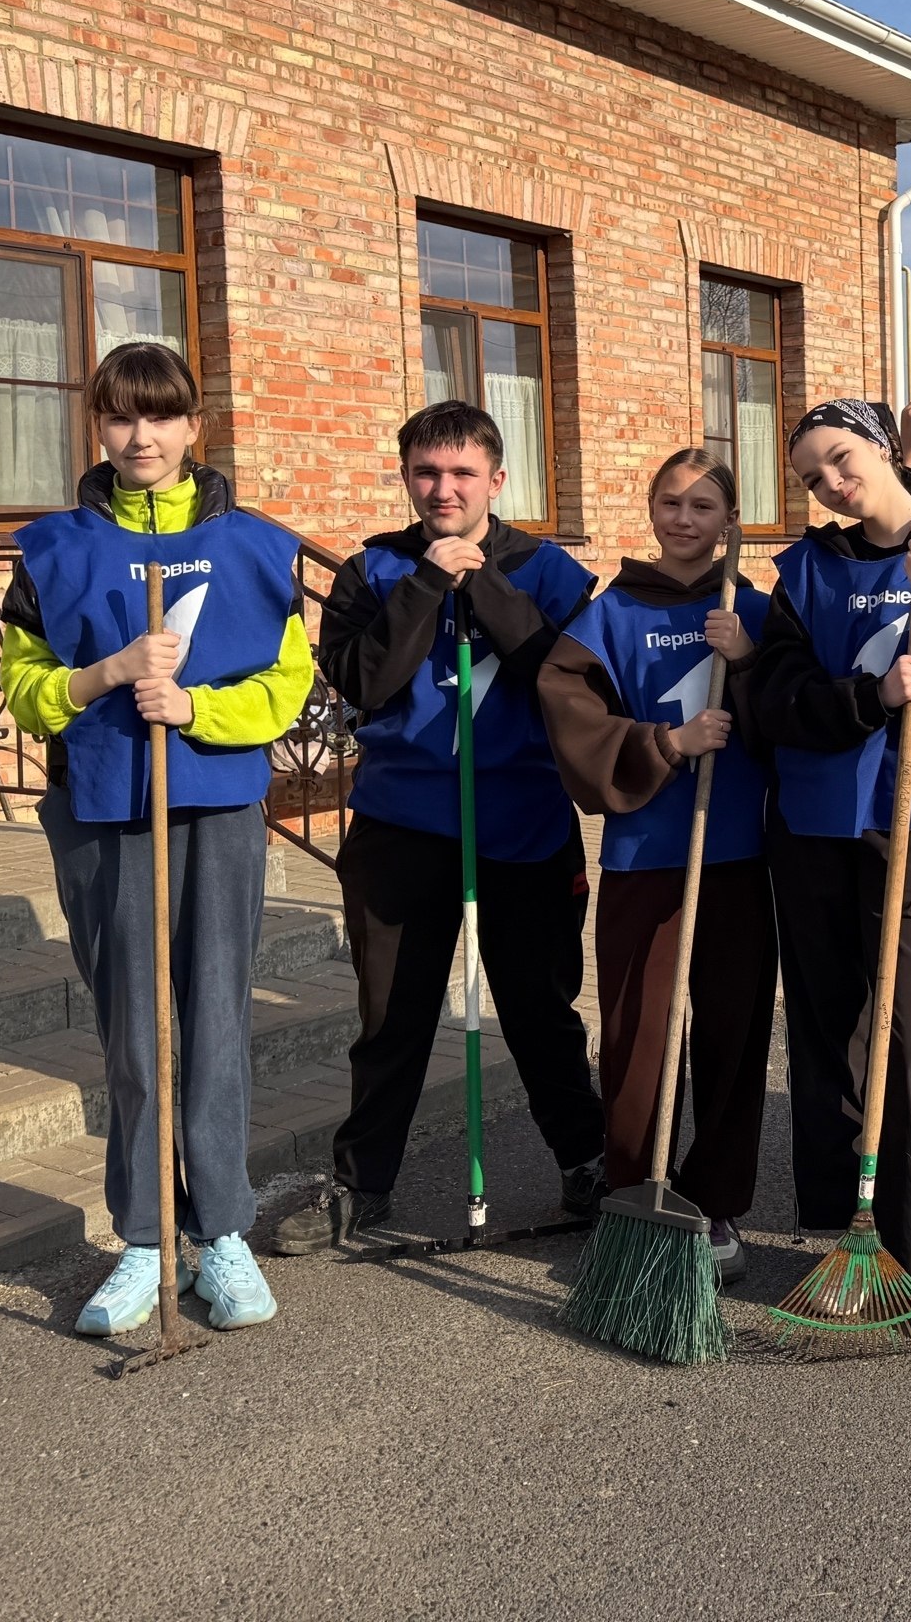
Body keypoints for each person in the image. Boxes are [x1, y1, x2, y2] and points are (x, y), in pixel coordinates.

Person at [0, 342, 308, 1335]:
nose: (140, 436)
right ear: (98, 425)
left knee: (214, 1019)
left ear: (191, 428)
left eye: (160, 415)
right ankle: (143, 1238)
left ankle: (221, 1233)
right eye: (120, 417)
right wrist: (106, 673)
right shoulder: (51, 549)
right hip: (106, 810)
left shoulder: (258, 547)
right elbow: (23, 691)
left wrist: (193, 706)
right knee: (135, 1031)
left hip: (214, 806)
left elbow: (289, 683)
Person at [275, 400, 606, 1254]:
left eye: (462, 473)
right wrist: (430, 581)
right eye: (427, 472)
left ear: (497, 479)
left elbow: (557, 676)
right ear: (406, 477)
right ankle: (363, 1184)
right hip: (402, 824)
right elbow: (365, 684)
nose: (443, 488)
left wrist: (481, 584)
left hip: (524, 822)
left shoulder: (550, 572)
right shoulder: (372, 571)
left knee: (539, 1008)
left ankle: (586, 1161)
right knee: (392, 1017)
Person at [735, 398, 911, 1346]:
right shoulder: (801, 570)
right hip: (808, 829)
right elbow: (773, 698)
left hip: (905, 824)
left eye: (842, 460)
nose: (832, 485)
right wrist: (870, 693)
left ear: (882, 451)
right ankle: (842, 1234)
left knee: (907, 1035)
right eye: (814, 476)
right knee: (823, 1036)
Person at [538, 451, 776, 1280]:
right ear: (650, 510)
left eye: (703, 505)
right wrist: (668, 743)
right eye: (670, 502)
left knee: (733, 1031)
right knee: (638, 1032)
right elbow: (568, 707)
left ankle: (714, 1206)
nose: (683, 518)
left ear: (729, 521)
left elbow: (795, 713)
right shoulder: (609, 615)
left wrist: (747, 658)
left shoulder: (751, 609)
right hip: (646, 855)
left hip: (739, 854)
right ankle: (639, 1193)